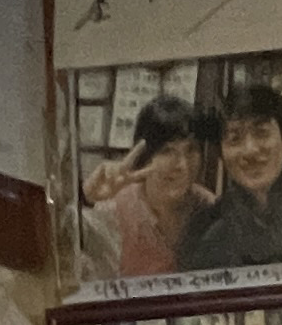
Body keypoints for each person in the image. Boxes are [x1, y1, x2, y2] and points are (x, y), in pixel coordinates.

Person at [188, 78, 282, 276]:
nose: (250, 150)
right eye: (234, 138)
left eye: (261, 133)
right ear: (221, 152)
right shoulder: (205, 233)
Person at [83, 93, 212, 281]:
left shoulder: (210, 209)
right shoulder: (114, 211)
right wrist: (86, 199)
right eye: (167, 151)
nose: (182, 165)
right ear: (145, 156)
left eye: (191, 150)